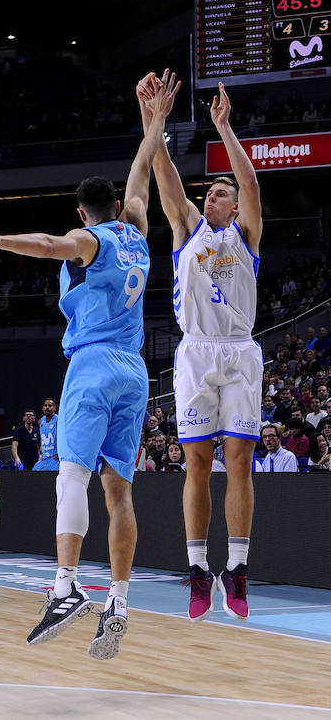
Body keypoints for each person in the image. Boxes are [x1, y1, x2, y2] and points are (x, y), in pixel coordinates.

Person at [0, 70, 179, 661]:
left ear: (83, 213)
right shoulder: (135, 229)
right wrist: (152, 120)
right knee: (119, 493)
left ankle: (65, 586)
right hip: (134, 372)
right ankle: (121, 601)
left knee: (70, 476)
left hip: (95, 364)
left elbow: (52, 246)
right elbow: (141, 177)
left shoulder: (94, 239)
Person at [137, 72, 262, 623]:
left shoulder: (246, 234)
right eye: (209, 190)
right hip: (195, 353)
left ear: (233, 207)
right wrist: (156, 122)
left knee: (239, 460)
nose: (212, 194)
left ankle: (235, 569)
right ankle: (196, 571)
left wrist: (224, 127)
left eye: (221, 192)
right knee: (197, 461)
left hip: (238, 353)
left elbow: (252, 186)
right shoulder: (188, 227)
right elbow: (162, 175)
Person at [33, 398, 60, 471]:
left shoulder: (58, 420)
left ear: (54, 408)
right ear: (43, 408)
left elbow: (65, 438)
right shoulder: (40, 421)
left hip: (55, 458)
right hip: (44, 458)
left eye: (50, 405)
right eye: (45, 405)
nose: (47, 407)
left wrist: (60, 453)